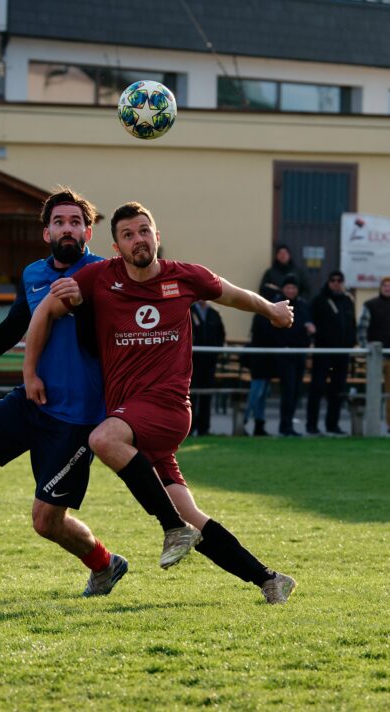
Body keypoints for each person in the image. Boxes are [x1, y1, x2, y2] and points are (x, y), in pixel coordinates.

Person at [26, 201, 297, 604]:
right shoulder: (100, 277)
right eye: (128, 235)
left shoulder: (184, 276)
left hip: (167, 408)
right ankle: (270, 580)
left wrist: (272, 309)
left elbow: (234, 295)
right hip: (132, 417)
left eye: (144, 231)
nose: (139, 239)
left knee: (103, 439)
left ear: (157, 235)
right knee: (193, 515)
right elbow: (46, 309)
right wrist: (30, 372)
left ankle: (172, 529)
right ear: (116, 247)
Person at [0, 188, 128, 597]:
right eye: (58, 222)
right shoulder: (34, 275)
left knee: (46, 522)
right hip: (28, 402)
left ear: (88, 232)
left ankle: (105, 564)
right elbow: (12, 328)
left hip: (77, 418)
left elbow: (116, 338)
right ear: (46, 233)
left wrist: (83, 306)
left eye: (75, 222)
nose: (67, 228)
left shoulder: (105, 275)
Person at [306, 270, 356, 435]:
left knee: (338, 390)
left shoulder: (348, 300)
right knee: (317, 388)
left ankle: (332, 424)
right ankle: (311, 425)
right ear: (328, 282)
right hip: (323, 352)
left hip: (342, 353)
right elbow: (309, 319)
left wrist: (351, 342)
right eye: (333, 280)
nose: (336, 283)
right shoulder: (319, 300)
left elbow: (351, 323)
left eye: (339, 280)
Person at [273, 275, 314, 437]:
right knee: (288, 391)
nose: (291, 290)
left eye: (294, 288)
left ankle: (289, 425)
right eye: (288, 287)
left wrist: (310, 330)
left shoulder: (303, 306)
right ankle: (285, 426)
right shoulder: (276, 305)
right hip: (285, 355)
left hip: (299, 354)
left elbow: (308, 325)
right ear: (283, 289)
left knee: (296, 391)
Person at [189, 300, 225, 436]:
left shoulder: (214, 313)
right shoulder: (189, 311)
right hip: (192, 363)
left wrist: (215, 354)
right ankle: (190, 428)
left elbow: (221, 335)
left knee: (206, 395)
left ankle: (204, 429)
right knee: (191, 396)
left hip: (209, 362)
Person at [358, 276, 390, 428]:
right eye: (385, 285)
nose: (387, 288)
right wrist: (366, 348)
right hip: (375, 356)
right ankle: (372, 424)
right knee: (373, 391)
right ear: (381, 287)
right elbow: (362, 329)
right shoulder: (370, 305)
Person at [244, 312, 276, 437]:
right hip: (260, 361)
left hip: (266, 361)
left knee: (262, 394)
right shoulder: (262, 317)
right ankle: (243, 420)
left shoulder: (262, 316)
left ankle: (259, 424)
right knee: (256, 394)